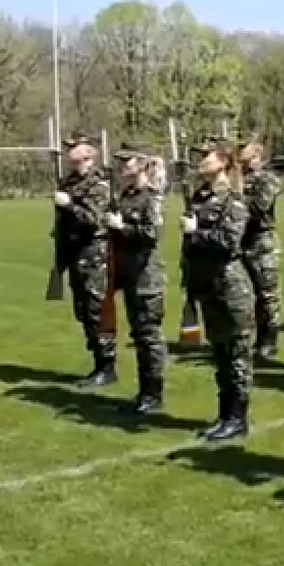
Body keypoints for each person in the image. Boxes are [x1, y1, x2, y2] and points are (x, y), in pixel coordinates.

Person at [182, 140, 255, 442]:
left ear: (223, 161)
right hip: (207, 284)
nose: (200, 161)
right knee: (220, 352)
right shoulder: (201, 197)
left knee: (236, 354)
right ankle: (224, 414)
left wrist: (195, 233)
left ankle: (237, 417)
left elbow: (229, 242)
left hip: (230, 285)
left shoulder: (232, 199)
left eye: (206, 156)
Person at [105, 148, 168, 413]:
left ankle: (153, 393)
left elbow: (151, 234)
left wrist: (121, 227)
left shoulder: (151, 197)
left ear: (141, 165)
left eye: (126, 161)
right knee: (139, 333)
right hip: (129, 272)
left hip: (146, 275)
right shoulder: (127, 195)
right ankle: (144, 391)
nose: (121, 166)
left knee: (148, 336)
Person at [52, 132, 117, 387]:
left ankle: (107, 365)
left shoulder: (98, 183)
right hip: (75, 252)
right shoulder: (69, 181)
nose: (69, 151)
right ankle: (98, 361)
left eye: (75, 147)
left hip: (94, 253)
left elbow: (95, 220)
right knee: (83, 310)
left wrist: (68, 206)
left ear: (89, 153)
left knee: (96, 310)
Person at [239, 134, 282, 360]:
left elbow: (258, 207)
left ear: (256, 152)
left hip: (261, 242)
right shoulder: (236, 177)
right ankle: (248, 339)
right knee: (244, 294)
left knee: (266, 296)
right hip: (241, 241)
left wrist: (235, 202)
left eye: (243, 148)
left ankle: (268, 341)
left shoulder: (267, 179)